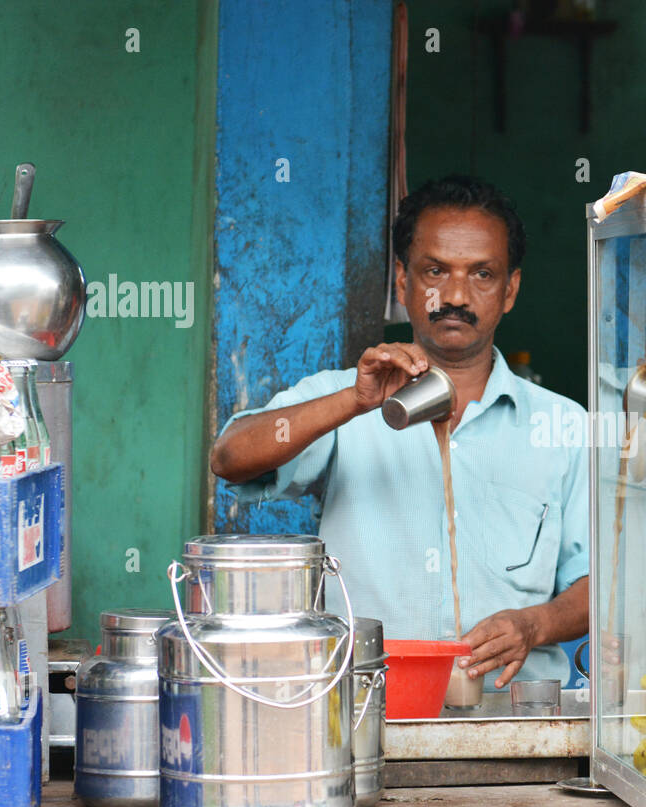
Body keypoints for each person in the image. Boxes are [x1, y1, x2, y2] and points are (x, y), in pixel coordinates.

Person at [210, 175, 588, 689]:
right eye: (435, 271)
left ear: (510, 290)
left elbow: (604, 582)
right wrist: (355, 402)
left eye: (482, 274)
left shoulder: (565, 428)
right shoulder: (345, 400)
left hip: (512, 718)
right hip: (366, 709)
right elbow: (230, 458)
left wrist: (533, 625)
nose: (455, 294)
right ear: (403, 282)